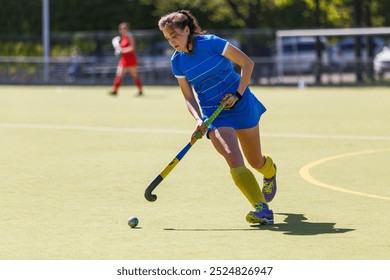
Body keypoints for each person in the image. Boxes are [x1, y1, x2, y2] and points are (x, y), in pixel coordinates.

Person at [158, 10, 277, 225]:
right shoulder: (178, 62)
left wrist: (238, 94)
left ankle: (270, 171)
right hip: (215, 113)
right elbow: (188, 97)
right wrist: (198, 119)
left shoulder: (212, 43)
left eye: (174, 35)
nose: (172, 42)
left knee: (255, 161)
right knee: (233, 158)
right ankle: (262, 209)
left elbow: (247, 64)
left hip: (241, 105)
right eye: (168, 38)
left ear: (187, 30)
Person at [110, 22, 143, 96]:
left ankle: (140, 91)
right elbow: (120, 49)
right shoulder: (122, 38)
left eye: (125, 28)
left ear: (128, 29)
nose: (123, 30)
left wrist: (122, 50)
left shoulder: (130, 36)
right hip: (124, 59)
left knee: (135, 75)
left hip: (131, 59)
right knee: (119, 74)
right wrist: (120, 50)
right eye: (122, 28)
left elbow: (132, 48)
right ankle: (115, 90)